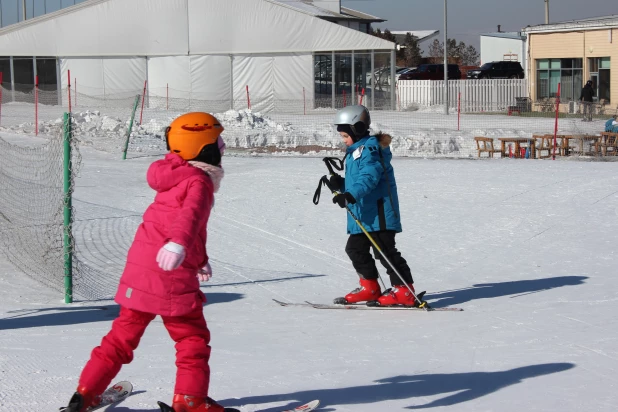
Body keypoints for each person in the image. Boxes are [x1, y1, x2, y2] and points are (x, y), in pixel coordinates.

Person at [62, 112, 234, 412]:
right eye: (217, 142)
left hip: (140, 272)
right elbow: (189, 218)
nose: (222, 148)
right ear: (201, 146)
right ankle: (190, 400)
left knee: (120, 337)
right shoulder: (199, 181)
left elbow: (179, 221)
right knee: (192, 339)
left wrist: (200, 258)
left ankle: (85, 392)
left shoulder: (172, 172)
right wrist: (180, 244)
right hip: (170, 275)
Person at [329, 105, 417, 307]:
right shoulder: (355, 151)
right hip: (364, 214)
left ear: (357, 129)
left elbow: (370, 177)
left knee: (385, 251)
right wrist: (341, 185)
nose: (343, 140)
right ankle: (370, 287)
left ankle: (404, 290)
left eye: (345, 136)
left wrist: (350, 195)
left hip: (379, 213)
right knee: (355, 249)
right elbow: (358, 181)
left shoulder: (370, 149)